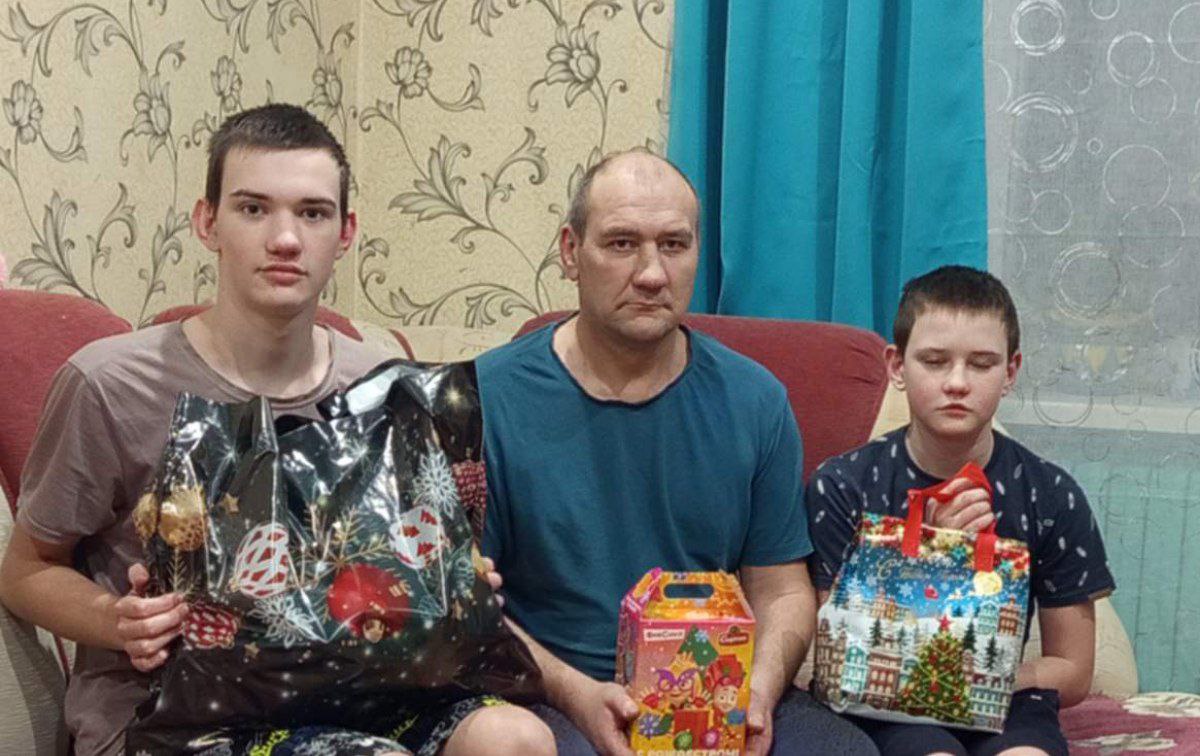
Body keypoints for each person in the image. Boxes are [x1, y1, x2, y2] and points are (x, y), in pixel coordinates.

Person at [0, 104, 554, 756]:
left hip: (365, 692)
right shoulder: (109, 383)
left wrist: (452, 588)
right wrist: (115, 621)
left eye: (313, 213)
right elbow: (25, 571)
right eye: (254, 209)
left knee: (515, 738)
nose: (286, 238)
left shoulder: (387, 387)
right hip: (177, 715)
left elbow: (400, 565)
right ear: (208, 222)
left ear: (345, 233)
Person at [477, 149, 877, 755]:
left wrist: (757, 693)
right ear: (570, 251)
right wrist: (576, 695)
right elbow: (466, 604)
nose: (651, 273)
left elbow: (782, 591)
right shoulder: (484, 398)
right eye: (621, 244)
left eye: (674, 245)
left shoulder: (756, 400)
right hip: (545, 692)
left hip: (715, 687)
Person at [805, 265, 1116, 756]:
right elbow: (835, 654)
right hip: (888, 704)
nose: (956, 383)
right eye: (934, 361)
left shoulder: (1052, 494)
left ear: (1010, 372)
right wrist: (933, 559)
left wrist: (981, 678)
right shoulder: (843, 486)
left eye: (981, 364)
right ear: (897, 366)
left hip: (1010, 700)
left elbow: (1074, 671)